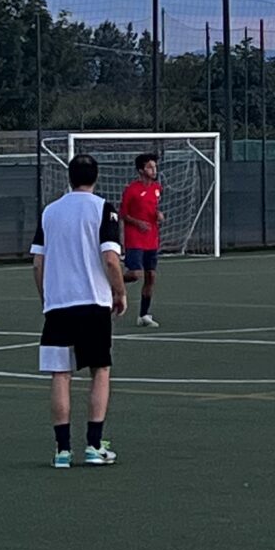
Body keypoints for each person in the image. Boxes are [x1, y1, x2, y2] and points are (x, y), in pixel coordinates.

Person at [33, 152, 126, 467]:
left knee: (61, 374)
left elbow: (38, 262)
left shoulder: (50, 212)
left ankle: (61, 450)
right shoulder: (103, 208)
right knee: (100, 370)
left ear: (68, 178)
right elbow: (111, 259)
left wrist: (47, 297)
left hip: (58, 305)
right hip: (92, 303)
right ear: (96, 177)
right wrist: (120, 292)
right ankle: (94, 444)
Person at [119, 151, 163, 327]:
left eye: (154, 166)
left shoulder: (157, 188)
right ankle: (112, 280)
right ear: (140, 170)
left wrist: (158, 215)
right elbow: (123, 213)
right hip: (135, 239)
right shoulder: (132, 190)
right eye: (150, 167)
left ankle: (144, 315)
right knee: (135, 274)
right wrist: (138, 223)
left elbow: (153, 209)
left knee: (150, 276)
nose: (153, 169)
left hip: (152, 239)